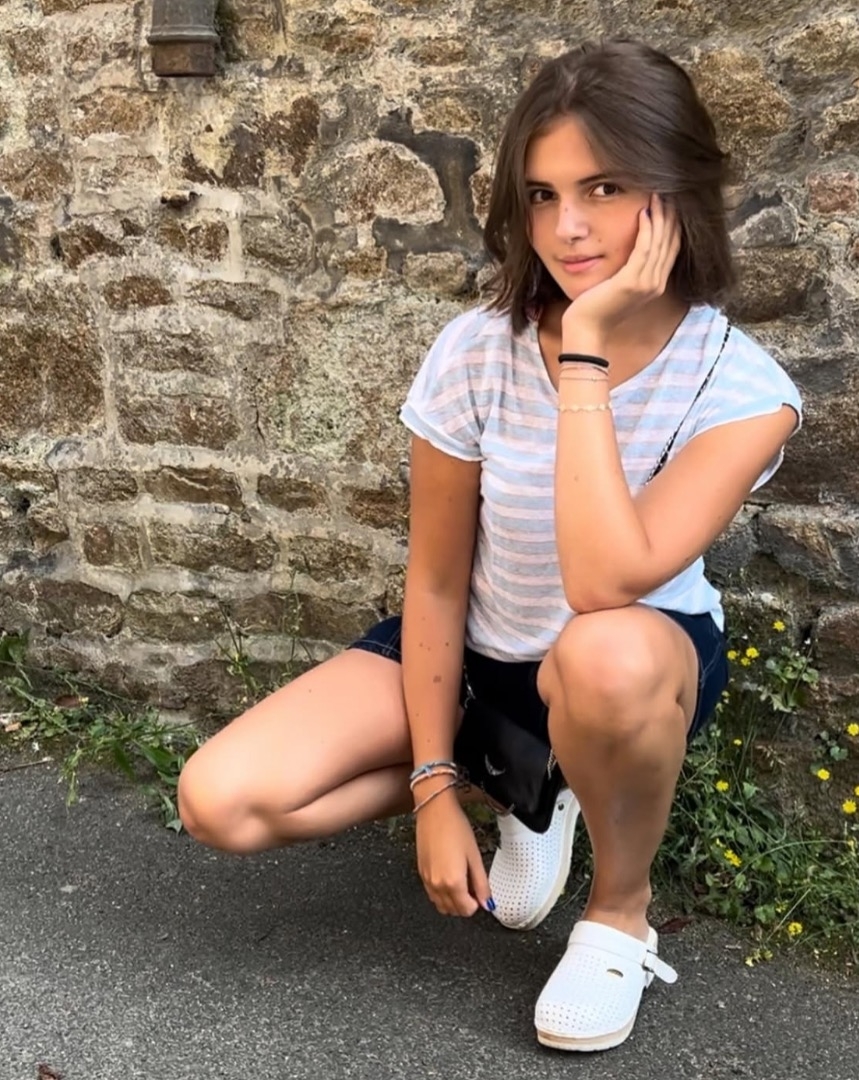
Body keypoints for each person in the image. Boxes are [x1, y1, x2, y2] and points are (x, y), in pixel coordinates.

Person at [177, 38, 802, 1053]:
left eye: (604, 188)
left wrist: (585, 353)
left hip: (629, 665)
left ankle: (618, 915)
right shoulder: (475, 349)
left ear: (676, 189)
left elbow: (603, 581)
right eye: (541, 194)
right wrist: (431, 787)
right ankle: (518, 784)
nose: (566, 227)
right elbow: (434, 580)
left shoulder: (740, 389)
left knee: (601, 654)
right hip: (478, 652)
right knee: (222, 802)